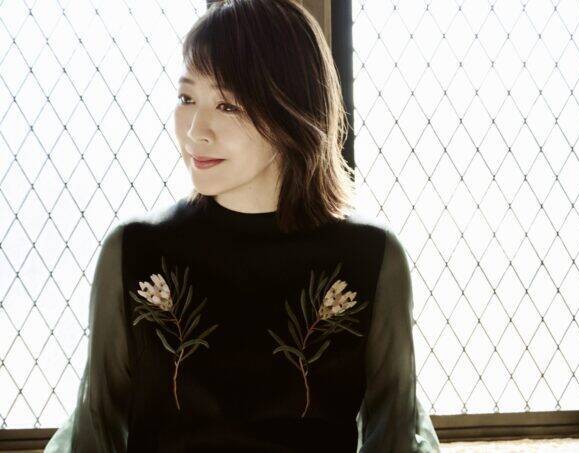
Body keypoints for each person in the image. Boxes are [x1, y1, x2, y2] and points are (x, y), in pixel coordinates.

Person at [43, 0, 441, 451]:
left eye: (227, 105)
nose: (195, 130)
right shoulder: (134, 251)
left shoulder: (371, 257)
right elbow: (96, 430)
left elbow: (394, 433)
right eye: (187, 98)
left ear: (290, 109)